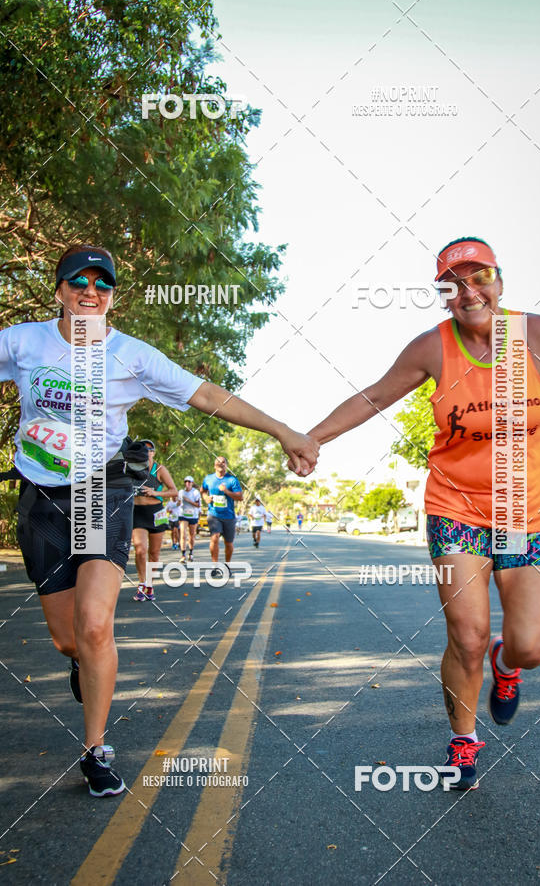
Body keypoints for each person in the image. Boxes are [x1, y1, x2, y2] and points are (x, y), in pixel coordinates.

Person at [0, 243, 318, 798]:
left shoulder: (132, 355)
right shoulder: (24, 342)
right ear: (59, 290)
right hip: (41, 498)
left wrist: (282, 430)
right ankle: (82, 661)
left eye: (102, 286)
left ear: (111, 297)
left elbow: (209, 396)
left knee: (95, 624)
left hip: (102, 490)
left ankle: (95, 748)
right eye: (79, 283)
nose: (90, 293)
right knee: (67, 638)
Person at [306, 236, 540, 790]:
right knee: (465, 634)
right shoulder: (433, 348)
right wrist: (312, 438)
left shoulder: (537, 335)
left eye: (480, 277)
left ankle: (505, 663)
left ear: (500, 281)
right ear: (442, 296)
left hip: (522, 509)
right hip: (455, 506)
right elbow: (372, 397)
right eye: (454, 284)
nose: (469, 291)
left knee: (532, 647)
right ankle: (464, 740)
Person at [131, 439, 177, 601]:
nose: (147, 452)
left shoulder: (160, 469)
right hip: (137, 512)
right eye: (144, 449)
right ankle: (142, 583)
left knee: (154, 553)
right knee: (140, 549)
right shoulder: (131, 467)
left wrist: (155, 493)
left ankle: (150, 585)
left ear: (154, 453)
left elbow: (174, 491)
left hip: (156, 512)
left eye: (150, 449)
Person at [201, 457, 242, 566]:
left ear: (226, 465)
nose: (221, 463)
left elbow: (240, 497)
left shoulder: (232, 480)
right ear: (215, 465)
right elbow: (203, 491)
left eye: (223, 462)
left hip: (229, 516)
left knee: (228, 543)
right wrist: (205, 498)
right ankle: (215, 566)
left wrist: (226, 491)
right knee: (214, 538)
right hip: (214, 514)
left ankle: (227, 565)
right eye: (218, 462)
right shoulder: (208, 478)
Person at [178, 476, 201, 564]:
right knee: (183, 534)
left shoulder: (195, 492)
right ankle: (183, 555)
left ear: (192, 483)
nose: (187, 483)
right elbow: (178, 503)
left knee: (192, 535)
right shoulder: (181, 492)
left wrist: (188, 500)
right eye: (186, 481)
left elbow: (198, 505)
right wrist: (179, 502)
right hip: (183, 515)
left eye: (189, 482)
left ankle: (191, 553)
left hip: (193, 515)